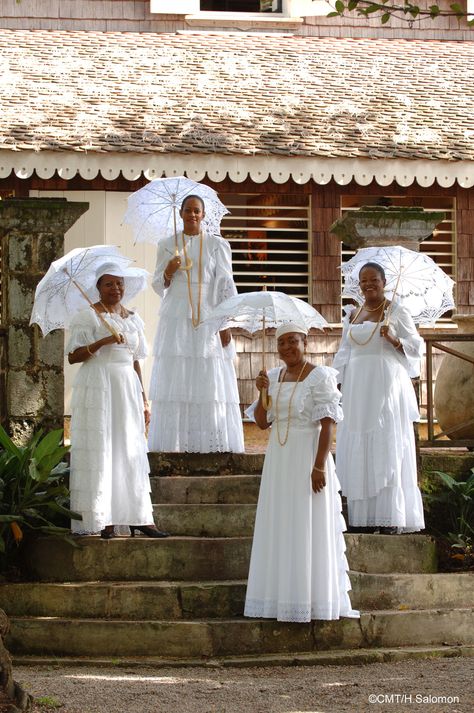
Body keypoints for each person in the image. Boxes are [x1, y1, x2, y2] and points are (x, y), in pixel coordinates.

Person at [244, 322, 359, 623]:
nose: (287, 348)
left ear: (304, 342)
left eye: (293, 341)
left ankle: (310, 598)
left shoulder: (320, 376)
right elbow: (261, 423)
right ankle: (278, 598)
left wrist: (319, 465)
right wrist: (262, 393)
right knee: (280, 521)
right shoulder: (271, 376)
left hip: (308, 455)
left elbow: (327, 423)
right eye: (281, 343)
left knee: (307, 521)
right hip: (278, 458)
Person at [67, 263, 168, 539]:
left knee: (129, 448)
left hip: (126, 386)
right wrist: (102, 342)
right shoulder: (87, 317)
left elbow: (136, 361)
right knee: (102, 448)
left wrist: (144, 400)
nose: (116, 289)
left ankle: (139, 517)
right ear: (98, 287)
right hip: (98, 384)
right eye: (109, 284)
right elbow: (73, 357)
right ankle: (105, 519)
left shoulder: (133, 318)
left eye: (120, 283)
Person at [333, 262, 425, 534]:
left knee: (386, 442)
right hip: (357, 387)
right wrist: (337, 382)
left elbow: (416, 348)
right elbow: (344, 351)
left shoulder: (396, 311)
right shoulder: (353, 314)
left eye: (373, 279)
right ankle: (362, 517)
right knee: (358, 439)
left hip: (386, 384)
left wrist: (395, 339)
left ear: (384, 282)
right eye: (363, 280)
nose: (368, 284)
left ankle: (388, 516)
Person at [148, 194, 244, 453]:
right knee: (178, 371)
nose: (192, 215)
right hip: (176, 311)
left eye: (197, 211)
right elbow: (158, 284)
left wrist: (225, 323)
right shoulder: (167, 244)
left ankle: (211, 442)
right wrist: (169, 270)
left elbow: (225, 284)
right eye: (188, 210)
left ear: (203, 215)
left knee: (207, 371)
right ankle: (175, 444)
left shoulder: (217, 244)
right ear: (180, 213)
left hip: (208, 311)